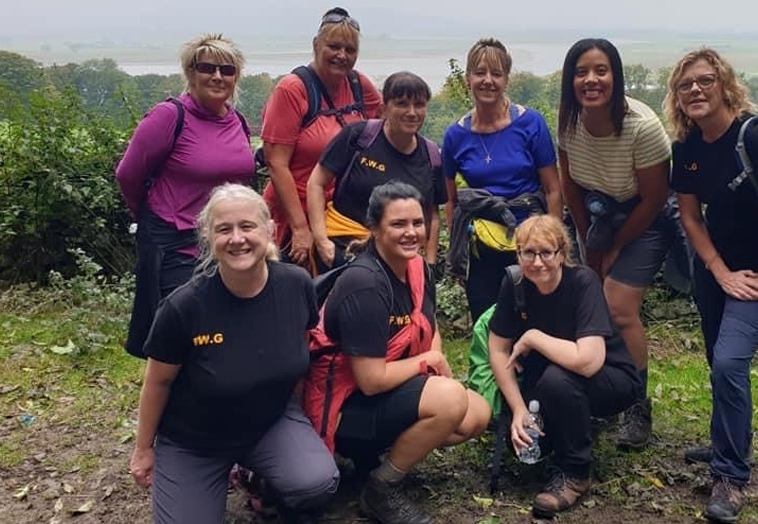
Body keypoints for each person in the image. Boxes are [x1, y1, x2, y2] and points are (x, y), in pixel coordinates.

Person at [128, 184, 338, 524]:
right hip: (194, 440)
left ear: (268, 230)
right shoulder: (184, 307)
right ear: (208, 239)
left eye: (247, 226)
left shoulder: (297, 285)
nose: (237, 238)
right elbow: (157, 383)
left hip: (267, 423)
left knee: (315, 482)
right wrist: (143, 448)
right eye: (224, 229)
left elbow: (298, 350)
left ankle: (258, 477)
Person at [665, 47, 758, 522]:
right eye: (685, 86)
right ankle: (726, 441)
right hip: (716, 270)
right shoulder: (687, 148)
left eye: (705, 81)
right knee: (716, 360)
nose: (695, 90)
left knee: (728, 361)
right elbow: (688, 216)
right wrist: (719, 271)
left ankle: (730, 477)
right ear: (677, 98)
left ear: (724, 84)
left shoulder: (756, 135)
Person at [305, 181, 490, 524]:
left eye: (417, 223)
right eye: (398, 224)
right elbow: (371, 381)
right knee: (449, 399)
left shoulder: (416, 267)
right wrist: (429, 363)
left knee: (476, 412)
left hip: (384, 389)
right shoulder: (364, 284)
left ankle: (379, 458)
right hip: (345, 405)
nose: (411, 233)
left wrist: (430, 363)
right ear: (374, 228)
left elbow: (428, 324)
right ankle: (381, 488)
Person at [557, 38, 677, 450]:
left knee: (618, 308)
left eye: (601, 71)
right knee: (587, 305)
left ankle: (636, 404)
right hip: (594, 215)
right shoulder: (569, 121)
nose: (591, 80)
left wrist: (612, 247)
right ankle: (600, 389)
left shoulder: (641, 127)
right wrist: (589, 238)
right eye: (581, 71)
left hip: (643, 219)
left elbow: (655, 198)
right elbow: (569, 183)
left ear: (616, 76)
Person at [487, 214, 643, 518]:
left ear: (562, 253)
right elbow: (498, 349)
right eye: (527, 252)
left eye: (546, 252)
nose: (537, 262)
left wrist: (533, 336)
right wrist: (518, 409)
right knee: (525, 447)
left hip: (610, 378)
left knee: (558, 381)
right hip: (546, 376)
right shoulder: (515, 283)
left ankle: (575, 472)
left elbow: (588, 361)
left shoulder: (583, 281)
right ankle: (567, 427)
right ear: (517, 254)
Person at [116, 33, 254, 358]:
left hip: (225, 242)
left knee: (221, 331)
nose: (218, 76)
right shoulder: (169, 116)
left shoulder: (237, 121)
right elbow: (127, 174)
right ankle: (164, 404)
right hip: (175, 242)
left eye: (227, 69)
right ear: (190, 73)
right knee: (180, 336)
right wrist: (151, 217)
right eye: (207, 67)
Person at [443, 37, 562, 322]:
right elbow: (449, 199)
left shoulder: (530, 124)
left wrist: (555, 243)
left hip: (530, 236)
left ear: (506, 79)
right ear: (468, 78)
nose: (487, 81)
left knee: (536, 317)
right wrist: (458, 253)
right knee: (487, 321)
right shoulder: (455, 135)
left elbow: (553, 188)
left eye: (496, 74)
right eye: (479, 73)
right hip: (480, 243)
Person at [261, 7, 381, 271]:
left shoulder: (361, 86)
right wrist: (300, 228)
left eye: (350, 50)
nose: (342, 55)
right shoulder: (292, 89)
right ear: (316, 45)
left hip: (342, 220)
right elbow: (276, 164)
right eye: (334, 46)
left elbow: (384, 134)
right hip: (295, 218)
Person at [306, 71, 444, 273]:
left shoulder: (431, 156)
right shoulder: (359, 137)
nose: (412, 112)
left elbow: (432, 214)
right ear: (385, 107)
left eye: (419, 105)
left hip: (400, 260)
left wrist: (428, 266)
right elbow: (316, 183)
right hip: (343, 248)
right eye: (402, 104)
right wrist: (321, 240)